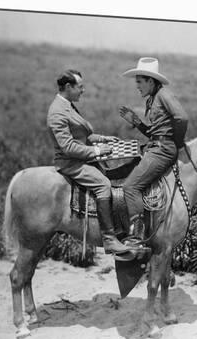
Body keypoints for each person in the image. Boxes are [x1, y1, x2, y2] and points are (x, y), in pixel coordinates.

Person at [47, 69, 137, 258]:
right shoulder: (57, 111)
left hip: (82, 158)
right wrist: (96, 151)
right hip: (70, 162)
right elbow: (68, 147)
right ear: (68, 87)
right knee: (104, 185)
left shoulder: (68, 106)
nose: (83, 90)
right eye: (80, 87)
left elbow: (83, 137)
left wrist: (104, 140)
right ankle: (109, 238)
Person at [119, 57, 189, 247]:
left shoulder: (164, 95)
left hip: (162, 151)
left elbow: (181, 118)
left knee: (130, 187)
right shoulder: (153, 98)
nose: (137, 87)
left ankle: (137, 234)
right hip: (156, 147)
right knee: (118, 171)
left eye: (140, 82)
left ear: (151, 81)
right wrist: (137, 123)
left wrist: (177, 142)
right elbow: (155, 132)